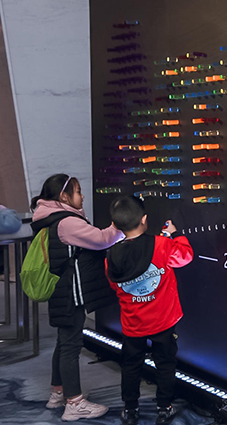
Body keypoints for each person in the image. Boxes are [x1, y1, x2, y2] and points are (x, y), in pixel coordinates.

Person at [30, 174, 123, 421]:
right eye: (78, 191)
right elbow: (102, 240)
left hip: (61, 291)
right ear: (63, 196)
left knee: (63, 342)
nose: (82, 196)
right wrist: (121, 225)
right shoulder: (66, 222)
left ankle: (58, 393)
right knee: (71, 346)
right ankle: (74, 403)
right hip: (71, 293)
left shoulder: (50, 217)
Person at [105, 195, 193, 425]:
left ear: (115, 224)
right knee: (165, 364)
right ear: (144, 219)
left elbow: (115, 285)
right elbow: (185, 256)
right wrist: (176, 235)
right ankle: (164, 408)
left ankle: (130, 410)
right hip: (163, 321)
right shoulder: (161, 244)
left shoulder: (111, 255)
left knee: (130, 366)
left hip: (133, 323)